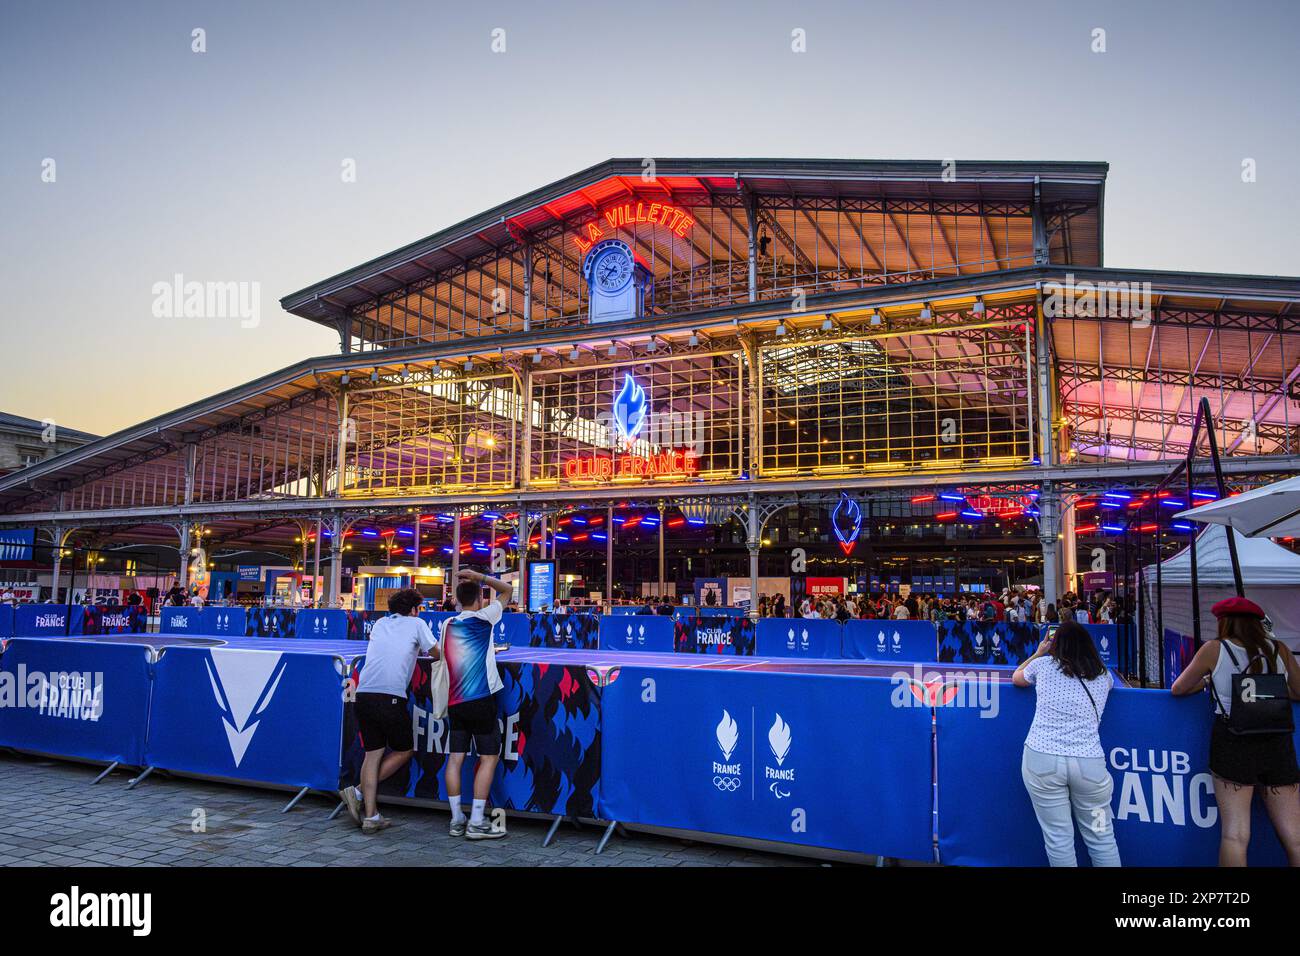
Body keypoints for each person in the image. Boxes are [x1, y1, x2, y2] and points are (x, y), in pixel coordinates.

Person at [1170, 596, 1300, 866]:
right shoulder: (1279, 649)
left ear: (1224, 623)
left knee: (1235, 835)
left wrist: (1208, 681)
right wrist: (1270, 692)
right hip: (1277, 741)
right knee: (1295, 836)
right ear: (1257, 623)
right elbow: (1299, 691)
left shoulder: (1214, 650)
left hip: (1233, 741)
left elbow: (1179, 688)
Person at [1012, 621, 1119, 867]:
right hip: (1090, 766)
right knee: (1102, 837)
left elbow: (1017, 677)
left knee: (1058, 838)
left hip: (1042, 761)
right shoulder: (1104, 676)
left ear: (1056, 645)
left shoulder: (1042, 665)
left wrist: (1038, 653)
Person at [339, 587, 440, 834]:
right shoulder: (417, 624)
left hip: (364, 694)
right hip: (391, 696)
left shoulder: (380, 623)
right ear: (414, 609)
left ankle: (371, 816)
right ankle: (359, 792)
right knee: (404, 750)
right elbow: (436, 653)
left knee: (372, 754)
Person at [440, 568, 512, 840]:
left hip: (455, 702)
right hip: (481, 700)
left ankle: (457, 819)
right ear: (480, 600)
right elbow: (507, 591)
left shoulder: (447, 624)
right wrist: (478, 576)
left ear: (457, 601)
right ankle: (477, 822)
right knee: (488, 758)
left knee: (455, 759)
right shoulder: (485, 619)